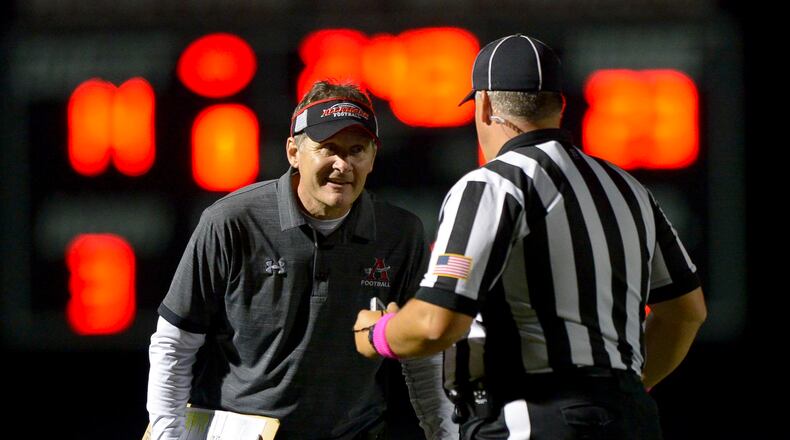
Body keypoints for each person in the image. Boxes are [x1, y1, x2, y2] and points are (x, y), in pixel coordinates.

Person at [354, 34, 707, 439]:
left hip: (532, 417)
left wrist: (377, 334)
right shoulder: (627, 188)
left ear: (484, 106)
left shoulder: (492, 185)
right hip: (631, 418)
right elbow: (686, 312)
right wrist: (623, 386)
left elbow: (437, 323)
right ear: (560, 105)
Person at [147, 80, 457, 440]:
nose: (342, 164)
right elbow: (175, 341)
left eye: (356, 149)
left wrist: (446, 435)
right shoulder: (232, 221)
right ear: (294, 152)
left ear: (373, 156)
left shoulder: (399, 232)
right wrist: (168, 435)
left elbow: (421, 355)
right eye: (328, 148)